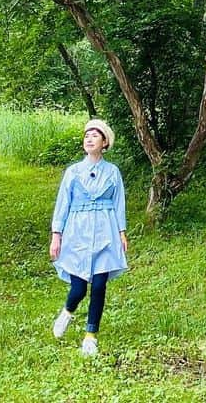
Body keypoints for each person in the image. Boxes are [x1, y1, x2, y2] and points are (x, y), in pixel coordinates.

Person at [49, 119, 129, 356]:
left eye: (95, 135)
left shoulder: (113, 172)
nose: (90, 139)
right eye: (87, 135)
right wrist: (57, 235)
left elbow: (118, 203)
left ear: (104, 143)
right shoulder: (73, 172)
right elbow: (62, 204)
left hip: (105, 230)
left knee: (100, 285)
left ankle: (90, 336)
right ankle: (67, 312)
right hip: (78, 232)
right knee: (79, 288)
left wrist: (121, 232)